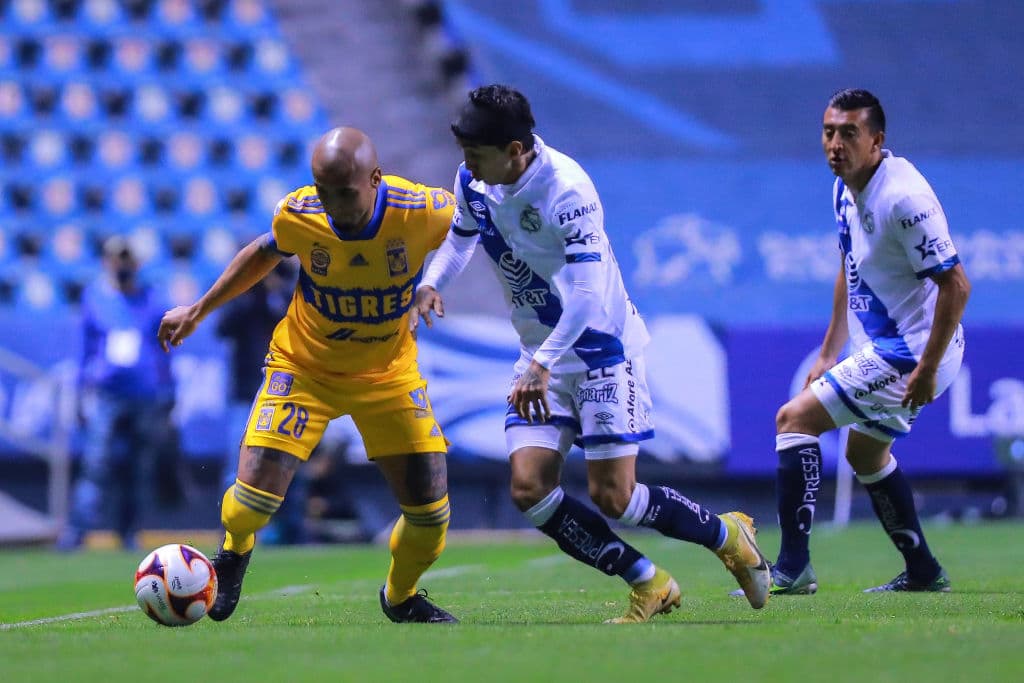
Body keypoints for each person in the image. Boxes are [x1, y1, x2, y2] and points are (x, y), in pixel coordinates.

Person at [412, 84, 770, 623]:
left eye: (475, 154)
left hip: (601, 353)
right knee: (529, 487)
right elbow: (462, 236)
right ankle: (648, 581)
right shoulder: (475, 180)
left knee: (615, 497)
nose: (465, 165)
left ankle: (728, 534)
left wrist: (540, 364)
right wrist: (431, 282)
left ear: (515, 150)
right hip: (542, 356)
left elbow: (585, 298)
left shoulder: (568, 191)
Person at [158, 127, 459, 623]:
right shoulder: (301, 212)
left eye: (345, 193)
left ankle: (400, 597)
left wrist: (432, 282)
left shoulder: (422, 209)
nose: (335, 205)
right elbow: (262, 253)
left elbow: (472, 232)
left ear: (376, 179)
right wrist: (198, 309)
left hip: (388, 374)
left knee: (431, 517)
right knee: (250, 504)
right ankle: (234, 549)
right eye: (325, 192)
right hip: (304, 369)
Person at [765, 89, 970, 594]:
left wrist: (925, 368)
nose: (835, 144)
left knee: (792, 421)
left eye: (849, 134)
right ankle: (923, 570)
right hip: (892, 349)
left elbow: (957, 285)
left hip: (914, 352)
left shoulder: (904, 199)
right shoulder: (843, 188)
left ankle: (793, 568)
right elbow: (849, 265)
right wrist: (831, 349)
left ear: (877, 141)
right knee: (865, 456)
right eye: (829, 132)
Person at [59, 236, 181, 551]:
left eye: (128, 260)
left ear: (137, 264)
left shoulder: (152, 300)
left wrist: (170, 391)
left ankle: (128, 531)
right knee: (96, 463)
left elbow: (165, 349)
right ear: (107, 262)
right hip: (106, 393)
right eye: (118, 259)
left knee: (139, 467)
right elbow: (84, 350)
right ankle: (78, 529)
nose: (123, 265)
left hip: (145, 394)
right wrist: (80, 391)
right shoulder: (95, 299)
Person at [215, 258, 307, 545]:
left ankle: (291, 530)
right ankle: (236, 532)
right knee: (239, 465)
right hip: (246, 392)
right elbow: (223, 327)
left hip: (288, 391)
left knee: (290, 462)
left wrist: (277, 290)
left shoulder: (291, 293)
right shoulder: (244, 296)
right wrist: (252, 292)